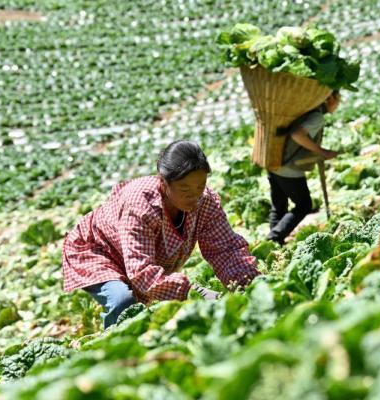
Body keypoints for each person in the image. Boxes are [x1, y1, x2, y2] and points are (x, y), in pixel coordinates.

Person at [62, 140, 261, 328]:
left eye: (200, 186)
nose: (194, 195)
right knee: (123, 301)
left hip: (135, 255)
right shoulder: (141, 204)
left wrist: (248, 284)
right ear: (164, 182)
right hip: (98, 248)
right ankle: (112, 353)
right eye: (184, 188)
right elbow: (141, 272)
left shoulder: (205, 201)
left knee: (141, 308)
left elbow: (225, 249)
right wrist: (193, 291)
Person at [266, 90, 341, 245]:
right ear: (330, 98)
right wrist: (323, 151)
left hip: (274, 162)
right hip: (288, 168)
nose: (338, 103)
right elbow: (297, 135)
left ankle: (272, 244)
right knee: (304, 205)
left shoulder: (304, 110)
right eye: (338, 99)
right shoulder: (316, 116)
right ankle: (274, 237)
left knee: (279, 205)